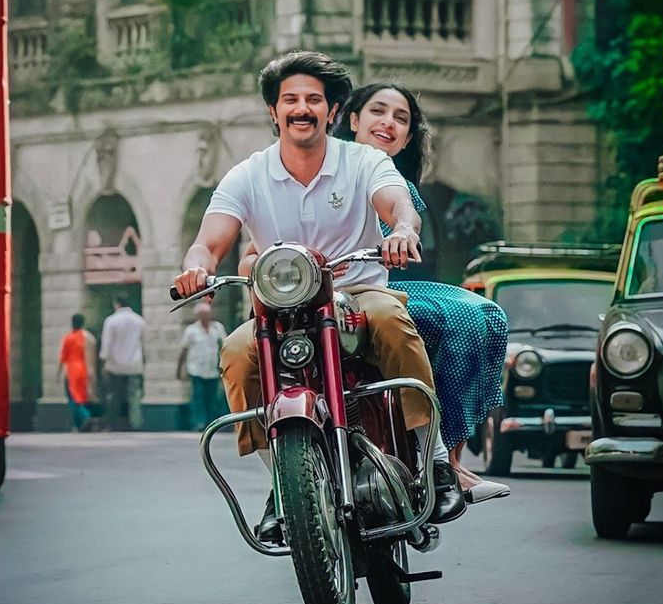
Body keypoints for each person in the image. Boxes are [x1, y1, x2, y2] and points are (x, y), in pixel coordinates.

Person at [173, 50, 466, 543]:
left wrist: (402, 230)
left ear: (333, 112)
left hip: (357, 292)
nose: (301, 108)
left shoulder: (364, 160)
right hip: (281, 308)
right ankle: (282, 486)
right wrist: (196, 267)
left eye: (314, 99)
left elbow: (396, 204)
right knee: (238, 352)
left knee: (393, 319)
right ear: (274, 112)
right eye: (290, 100)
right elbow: (210, 240)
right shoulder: (248, 174)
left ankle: (435, 462)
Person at [333, 83, 510, 503]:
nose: (388, 123)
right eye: (378, 111)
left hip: (392, 283)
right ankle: (442, 462)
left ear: (409, 136)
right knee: (460, 316)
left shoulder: (392, 177)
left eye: (401, 118)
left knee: (486, 314)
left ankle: (449, 459)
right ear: (353, 120)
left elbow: (403, 220)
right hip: (348, 288)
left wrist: (403, 234)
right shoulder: (332, 167)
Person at [177, 302, 227, 431]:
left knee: (212, 397)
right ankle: (199, 422)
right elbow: (184, 350)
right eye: (202, 315)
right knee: (198, 397)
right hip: (196, 369)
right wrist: (179, 369)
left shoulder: (217, 328)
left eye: (207, 314)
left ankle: (212, 423)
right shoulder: (191, 330)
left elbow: (225, 346)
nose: (205, 317)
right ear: (198, 316)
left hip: (213, 369)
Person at [100, 295, 145, 431]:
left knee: (114, 396)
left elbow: (107, 345)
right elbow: (143, 343)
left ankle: (113, 424)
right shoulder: (139, 321)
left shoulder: (111, 321)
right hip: (134, 364)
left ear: (116, 304)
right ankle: (135, 424)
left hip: (115, 365)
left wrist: (104, 363)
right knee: (134, 396)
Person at [58, 313, 98, 433]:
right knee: (82, 397)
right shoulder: (89, 338)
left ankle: (85, 417)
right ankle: (81, 425)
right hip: (84, 370)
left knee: (74, 399)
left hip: (71, 371)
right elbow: (91, 358)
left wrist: (58, 374)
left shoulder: (68, 338)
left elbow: (63, 358)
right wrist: (92, 373)